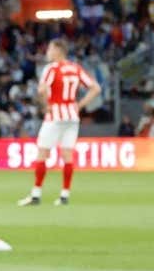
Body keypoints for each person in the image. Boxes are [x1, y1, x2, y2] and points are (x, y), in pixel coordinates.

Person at [18, 39, 101, 206]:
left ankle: (36, 194)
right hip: (72, 115)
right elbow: (96, 88)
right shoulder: (75, 68)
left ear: (58, 50)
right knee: (67, 155)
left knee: (42, 153)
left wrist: (46, 105)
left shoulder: (51, 69)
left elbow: (42, 90)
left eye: (50, 48)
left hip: (55, 114)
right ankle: (64, 195)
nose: (48, 52)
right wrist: (80, 104)